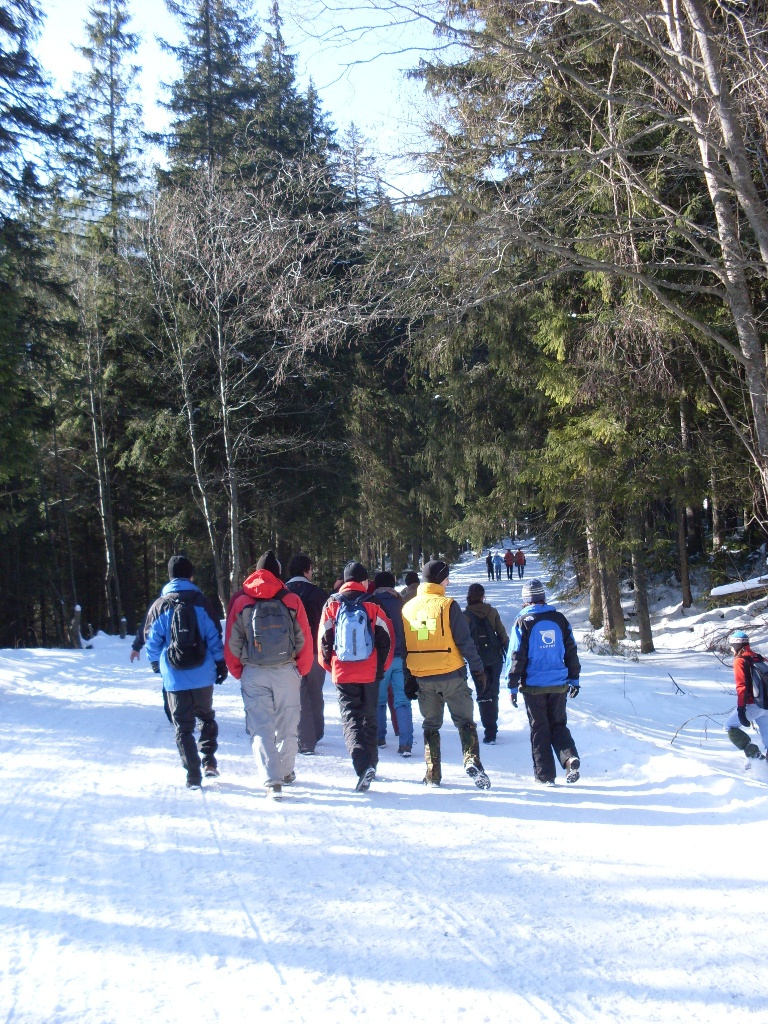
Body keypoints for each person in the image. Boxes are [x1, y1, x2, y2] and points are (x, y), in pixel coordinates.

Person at [225, 551, 313, 800]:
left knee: (260, 726)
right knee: (288, 723)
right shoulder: (291, 599)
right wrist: (301, 670)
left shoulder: (241, 600)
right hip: (286, 670)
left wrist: (238, 671)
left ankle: (272, 780)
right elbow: (303, 638)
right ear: (278, 572)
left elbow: (232, 641)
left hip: (254, 670)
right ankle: (286, 772)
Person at [402, 559, 490, 789]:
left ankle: (433, 774)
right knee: (465, 721)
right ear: (441, 579)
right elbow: (465, 643)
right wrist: (478, 670)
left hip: (423, 677)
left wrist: (408, 676)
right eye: (447, 578)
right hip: (451, 673)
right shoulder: (448, 605)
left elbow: (405, 646)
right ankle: (471, 761)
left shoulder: (407, 608)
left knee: (430, 725)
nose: (449, 582)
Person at [144, 555, 227, 789]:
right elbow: (213, 636)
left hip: (174, 676)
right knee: (206, 717)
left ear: (170, 576)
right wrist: (220, 664)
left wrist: (156, 665)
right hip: (203, 674)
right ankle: (209, 762)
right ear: (191, 576)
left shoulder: (160, 606)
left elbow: (151, 642)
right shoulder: (201, 601)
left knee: (183, 727)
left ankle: (193, 775)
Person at [319, 561, 394, 790]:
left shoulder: (332, 603)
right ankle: (371, 764)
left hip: (342, 671)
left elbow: (323, 640)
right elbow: (387, 639)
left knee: (351, 719)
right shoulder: (373, 603)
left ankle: (362, 767)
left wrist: (331, 667)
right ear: (363, 581)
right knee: (369, 718)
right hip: (370, 671)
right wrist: (380, 667)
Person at [504, 578, 581, 785]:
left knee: (539, 729)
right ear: (543, 597)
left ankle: (545, 776)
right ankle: (569, 757)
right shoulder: (559, 619)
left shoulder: (523, 622)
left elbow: (516, 655)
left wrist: (511, 684)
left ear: (526, 600)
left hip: (533, 686)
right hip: (559, 684)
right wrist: (574, 678)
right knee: (558, 724)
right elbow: (571, 649)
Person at [285, 553, 329, 755]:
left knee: (298, 693)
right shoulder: (319, 594)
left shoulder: (281, 593)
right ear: (307, 570)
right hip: (315, 652)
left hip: (289, 652)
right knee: (315, 692)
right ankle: (315, 733)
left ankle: (305, 737)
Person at [372, 570, 413, 756]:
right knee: (402, 701)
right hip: (400, 658)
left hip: (381, 660)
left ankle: (380, 737)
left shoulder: (371, 603)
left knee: (379, 701)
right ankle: (405, 743)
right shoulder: (402, 603)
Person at [464, 583, 509, 745]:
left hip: (477, 660)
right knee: (494, 691)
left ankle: (488, 730)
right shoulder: (492, 611)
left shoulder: (465, 615)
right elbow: (502, 634)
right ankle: (493, 726)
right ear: (483, 595)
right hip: (495, 657)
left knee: (483, 693)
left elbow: (463, 640)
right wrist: (508, 652)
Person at [724, 630, 768, 764]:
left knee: (730, 726)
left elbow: (741, 686)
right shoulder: (759, 657)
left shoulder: (740, 660)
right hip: (766, 705)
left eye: (731, 644)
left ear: (736, 645)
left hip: (752, 704)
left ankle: (756, 757)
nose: (731, 648)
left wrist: (741, 709)